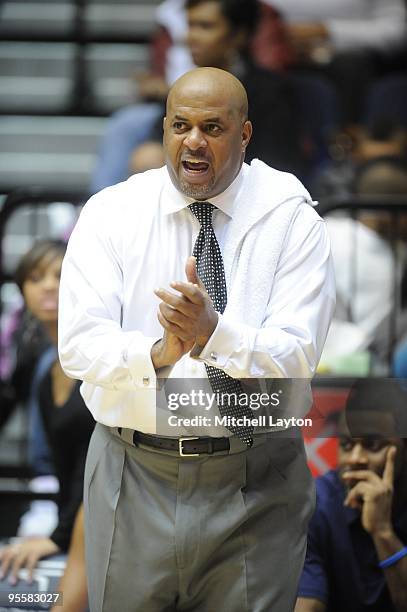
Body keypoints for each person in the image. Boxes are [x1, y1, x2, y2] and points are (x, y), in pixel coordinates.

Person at [58, 67, 335, 611]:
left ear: (245, 134)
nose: (194, 142)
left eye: (213, 127)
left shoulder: (290, 217)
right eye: (180, 126)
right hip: (133, 469)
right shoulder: (112, 212)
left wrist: (213, 333)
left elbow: (298, 352)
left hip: (256, 476)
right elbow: (79, 345)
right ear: (163, 129)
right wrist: (157, 352)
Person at [0, 240, 95, 586]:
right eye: (36, 277)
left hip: (106, 531)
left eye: (60, 274)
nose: (49, 285)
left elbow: (95, 470)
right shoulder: (44, 373)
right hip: (73, 530)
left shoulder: (100, 361)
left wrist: (57, 538)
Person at [132, 0, 307, 179]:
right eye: (190, 25)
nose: (190, 37)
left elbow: (277, 165)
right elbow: (156, 144)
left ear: (238, 35)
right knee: (141, 147)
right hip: (189, 186)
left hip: (244, 193)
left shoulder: (270, 91)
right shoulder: (187, 85)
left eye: (205, 26)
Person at [295, 378, 407, 612]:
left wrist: (382, 532)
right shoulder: (317, 504)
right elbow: (308, 604)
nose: (355, 458)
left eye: (373, 444)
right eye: (346, 444)